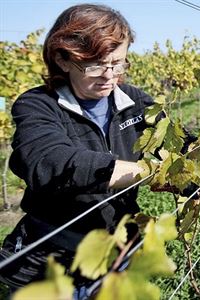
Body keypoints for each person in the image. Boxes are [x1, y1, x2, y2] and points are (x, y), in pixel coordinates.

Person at [0, 4, 162, 298]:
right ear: (63, 60)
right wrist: (145, 172)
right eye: (96, 65)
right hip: (48, 263)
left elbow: (183, 149)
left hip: (115, 257)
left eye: (119, 63)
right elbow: (48, 162)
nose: (109, 76)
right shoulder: (38, 105)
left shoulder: (136, 103)